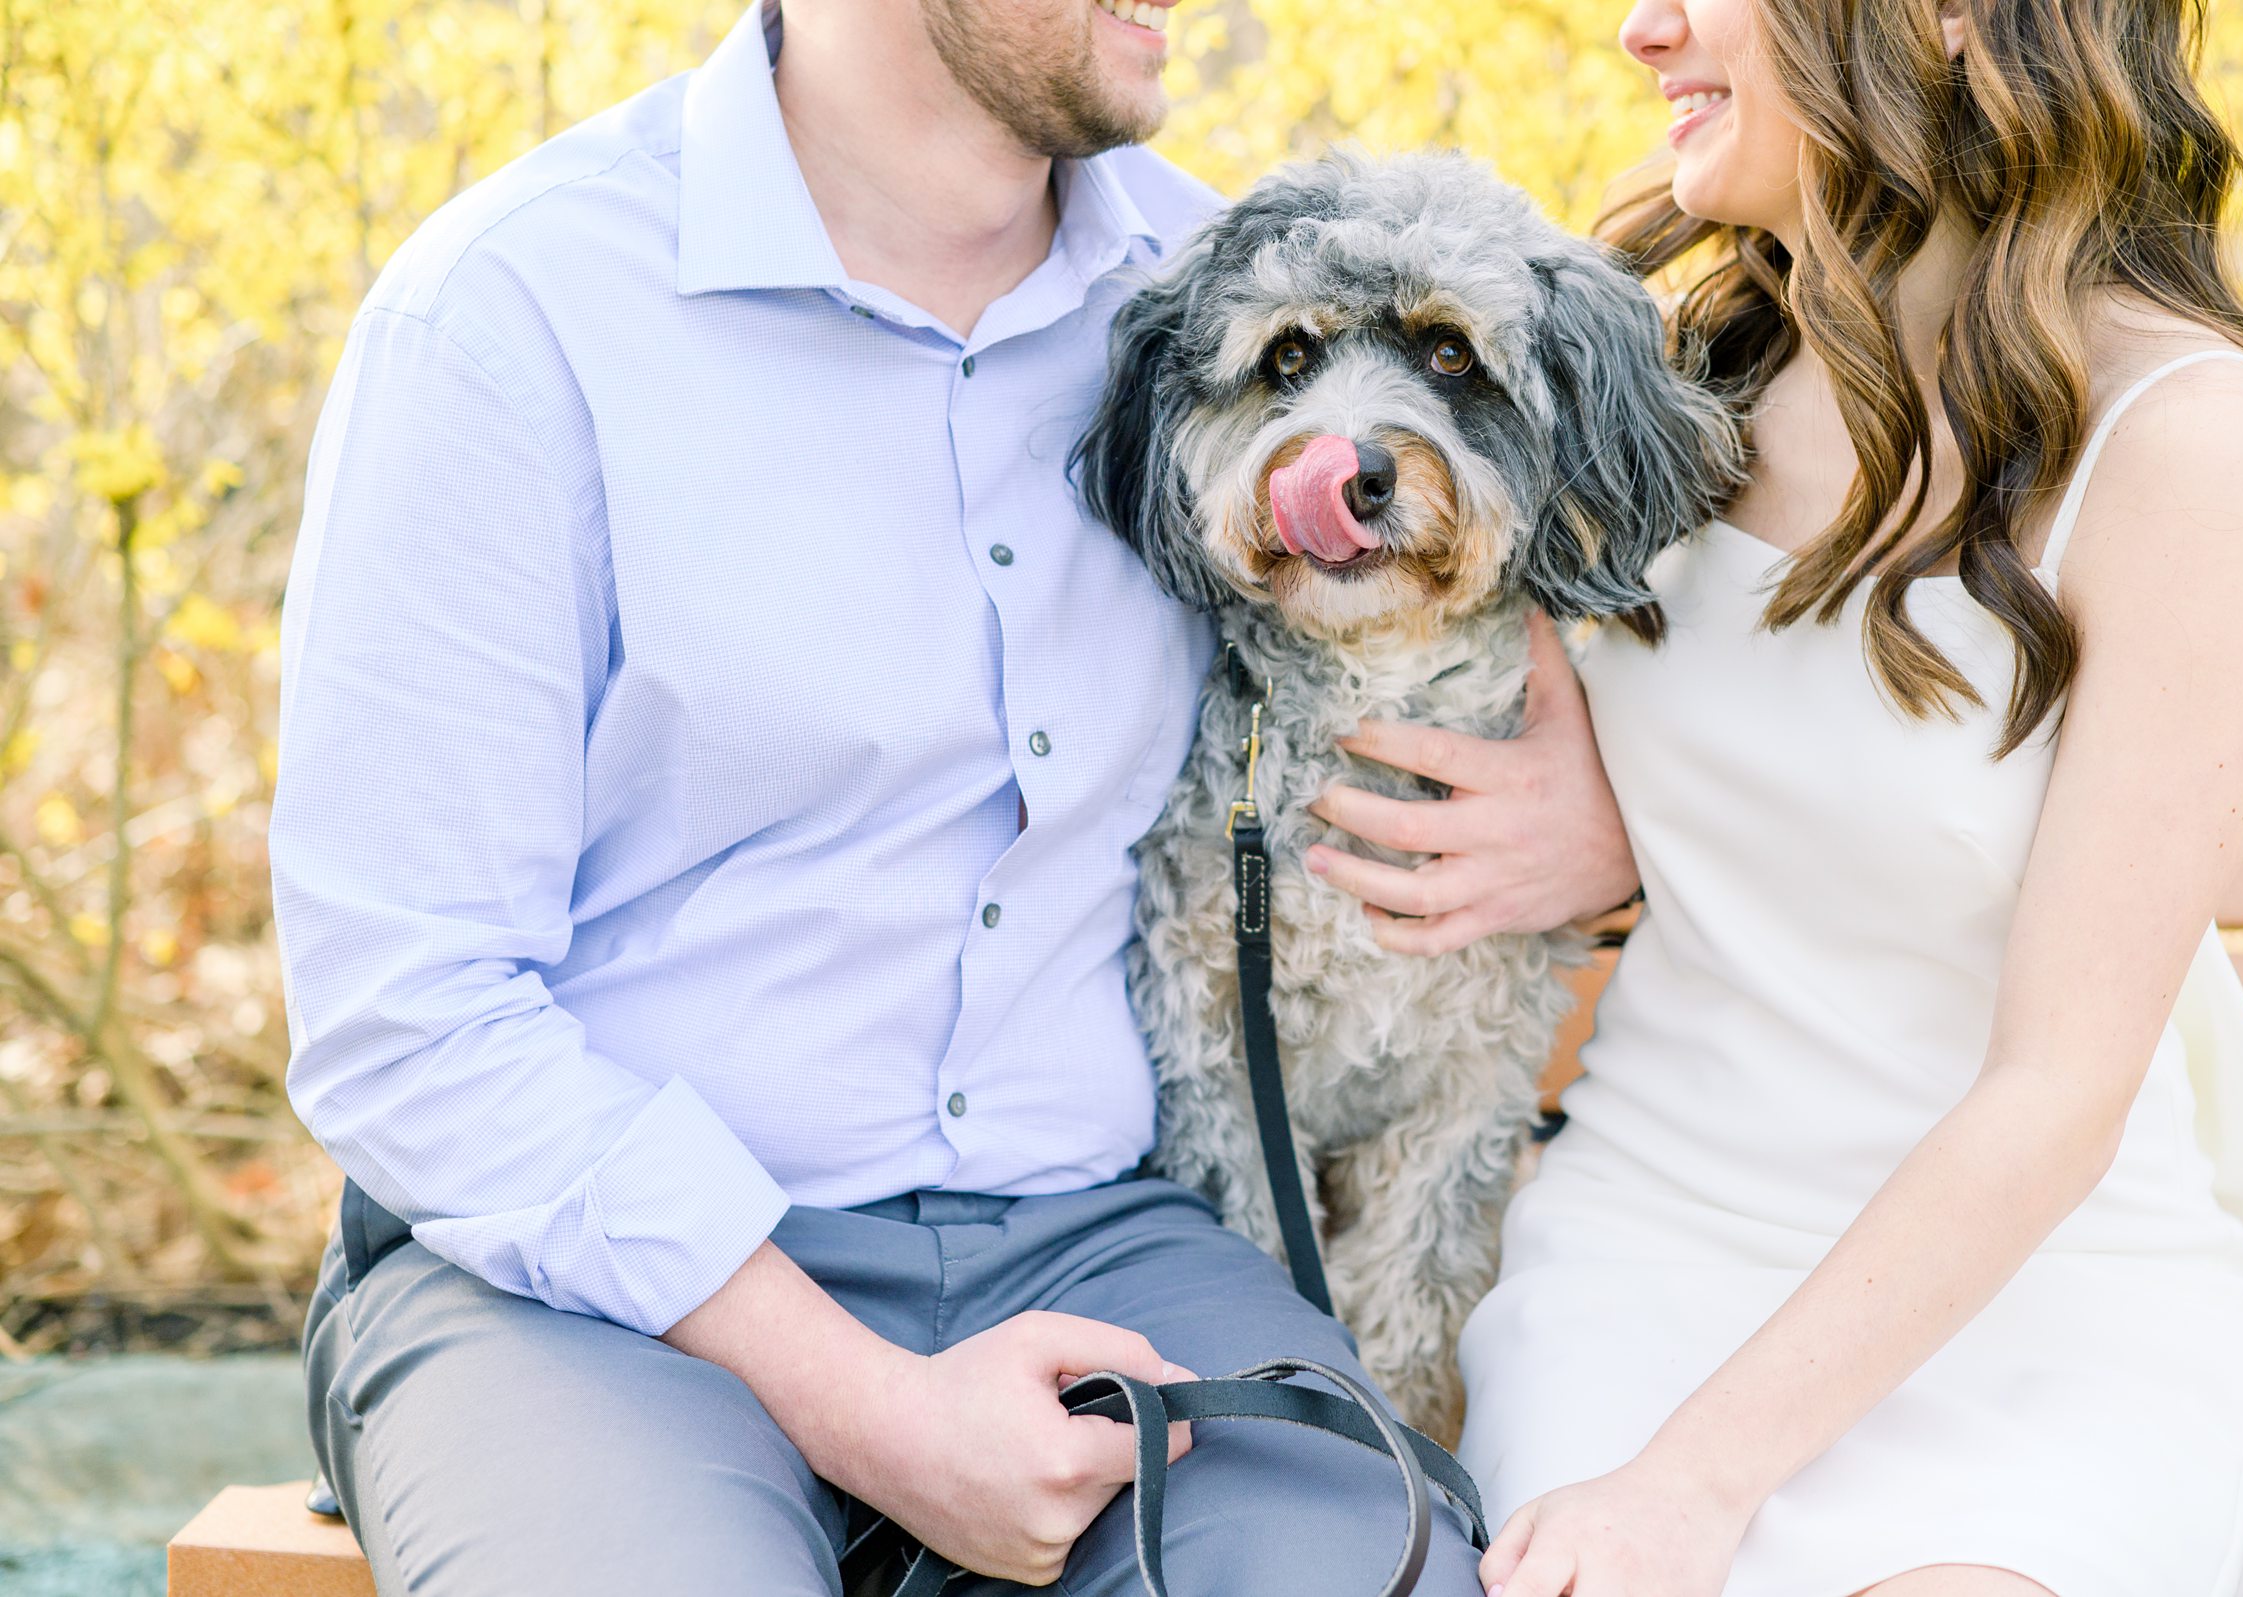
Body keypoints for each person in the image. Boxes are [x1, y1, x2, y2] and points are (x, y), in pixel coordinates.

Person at [268, 1, 1626, 1592]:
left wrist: (1610, 828)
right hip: (585, 1286)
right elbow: (404, 1011)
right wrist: (873, 1412)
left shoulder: (1234, 305)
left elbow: (1506, 568)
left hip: (1105, 1238)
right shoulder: (512, 314)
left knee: (1356, 1571)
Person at [1315, 0, 2243, 1590]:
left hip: (2050, 1298)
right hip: (1656, 1249)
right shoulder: (1669, 378)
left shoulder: (2186, 443)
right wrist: (1623, 820)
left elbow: (2061, 1088)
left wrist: (1692, 1485)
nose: (1641, 26)